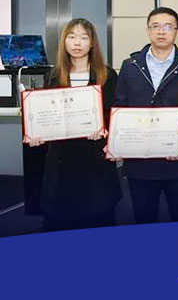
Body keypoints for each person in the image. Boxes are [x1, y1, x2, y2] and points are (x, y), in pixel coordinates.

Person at [24, 18, 120, 231]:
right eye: (72, 37)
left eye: (84, 38)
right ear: (64, 41)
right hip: (61, 160)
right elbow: (44, 114)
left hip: (95, 159)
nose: (77, 43)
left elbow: (114, 113)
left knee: (98, 222)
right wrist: (36, 133)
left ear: (92, 43)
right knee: (60, 223)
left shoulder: (107, 75)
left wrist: (104, 128)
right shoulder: (53, 75)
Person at [113, 7, 178, 224]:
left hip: (176, 160)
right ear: (148, 30)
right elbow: (120, 107)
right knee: (144, 220)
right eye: (156, 26)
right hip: (139, 162)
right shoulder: (130, 66)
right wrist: (117, 143)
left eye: (168, 27)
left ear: (177, 32)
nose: (161, 31)